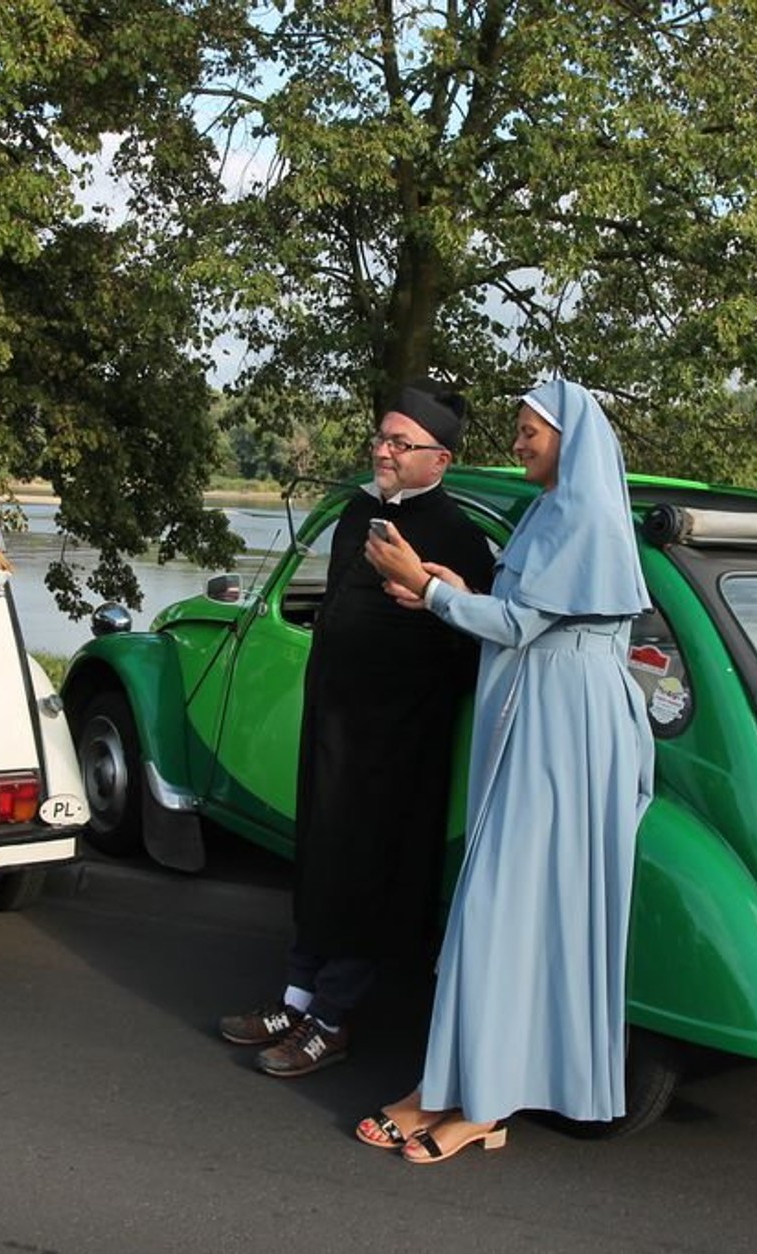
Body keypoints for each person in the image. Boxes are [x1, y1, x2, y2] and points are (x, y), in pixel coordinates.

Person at [359, 377, 654, 1162]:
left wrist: (427, 584)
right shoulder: (555, 509)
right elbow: (527, 610)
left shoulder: (582, 512)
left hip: (564, 727)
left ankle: (479, 1101)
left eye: (531, 429)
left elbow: (524, 624)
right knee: (511, 912)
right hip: (550, 716)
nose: (519, 440)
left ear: (571, 438)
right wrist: (454, 592)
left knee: (500, 907)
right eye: (519, 428)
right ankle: (453, 1085)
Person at [219, 382, 495, 1078]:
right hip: (334, 726)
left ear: (440, 459)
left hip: (396, 742)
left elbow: (474, 647)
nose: (383, 450)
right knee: (320, 861)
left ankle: (333, 1018)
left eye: (401, 443)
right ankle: (296, 996)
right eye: (381, 436)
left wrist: (433, 611)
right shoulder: (353, 516)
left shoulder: (459, 539)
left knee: (368, 876)